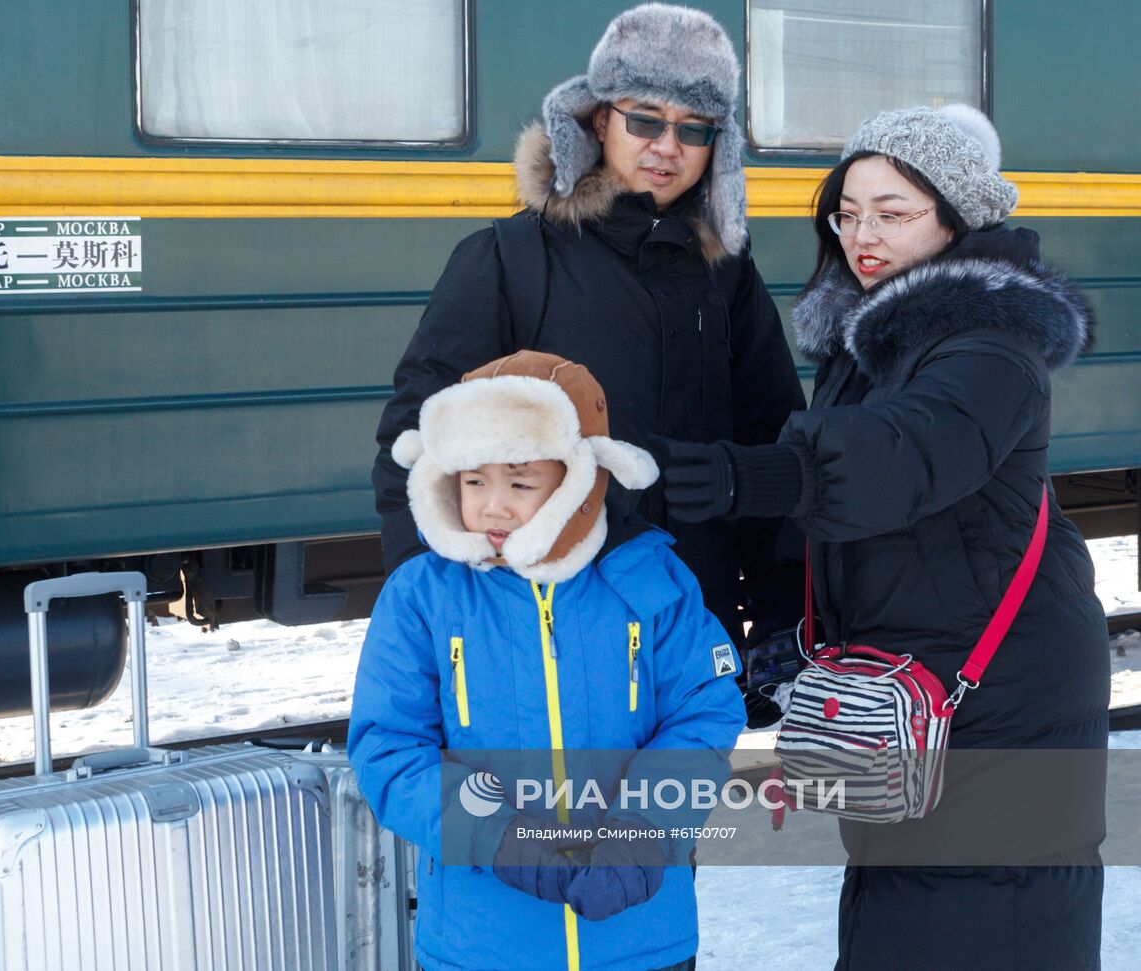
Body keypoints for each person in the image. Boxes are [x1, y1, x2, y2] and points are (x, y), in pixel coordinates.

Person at [658, 104, 1111, 970]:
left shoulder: (994, 337)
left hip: (1004, 701)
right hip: (921, 691)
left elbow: (907, 452)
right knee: (904, 905)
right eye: (848, 211)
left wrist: (754, 474)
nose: (863, 234)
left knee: (982, 922)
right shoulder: (873, 338)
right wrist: (798, 631)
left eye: (893, 212)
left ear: (956, 217)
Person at [372, 3, 806, 670]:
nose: (668, 147)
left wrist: (780, 611)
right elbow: (415, 442)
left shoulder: (727, 275)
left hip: (691, 629)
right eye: (645, 120)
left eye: (695, 128)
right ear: (598, 119)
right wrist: (429, 605)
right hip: (542, 637)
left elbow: (770, 435)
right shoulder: (509, 259)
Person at [349, 351, 746, 971]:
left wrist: (644, 828)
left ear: (579, 479)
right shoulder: (421, 596)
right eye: (473, 482)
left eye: (520, 482)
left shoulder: (650, 580)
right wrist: (500, 838)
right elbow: (390, 750)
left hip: (640, 941)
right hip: (481, 945)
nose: (494, 507)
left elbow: (705, 714)